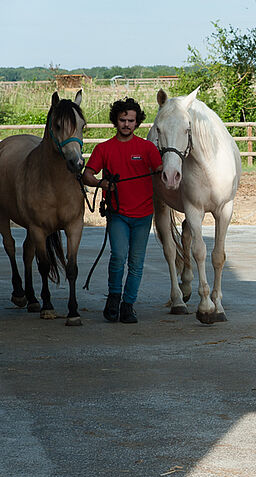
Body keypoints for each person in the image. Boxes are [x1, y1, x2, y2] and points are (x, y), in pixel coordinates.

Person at [82, 98, 162, 324]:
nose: (126, 124)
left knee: (136, 262)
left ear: (137, 123)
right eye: (122, 120)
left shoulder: (147, 148)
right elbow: (87, 175)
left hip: (144, 214)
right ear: (115, 121)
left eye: (131, 121)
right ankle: (113, 299)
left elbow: (161, 170)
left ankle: (128, 305)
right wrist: (101, 183)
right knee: (118, 256)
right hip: (117, 212)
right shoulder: (103, 148)